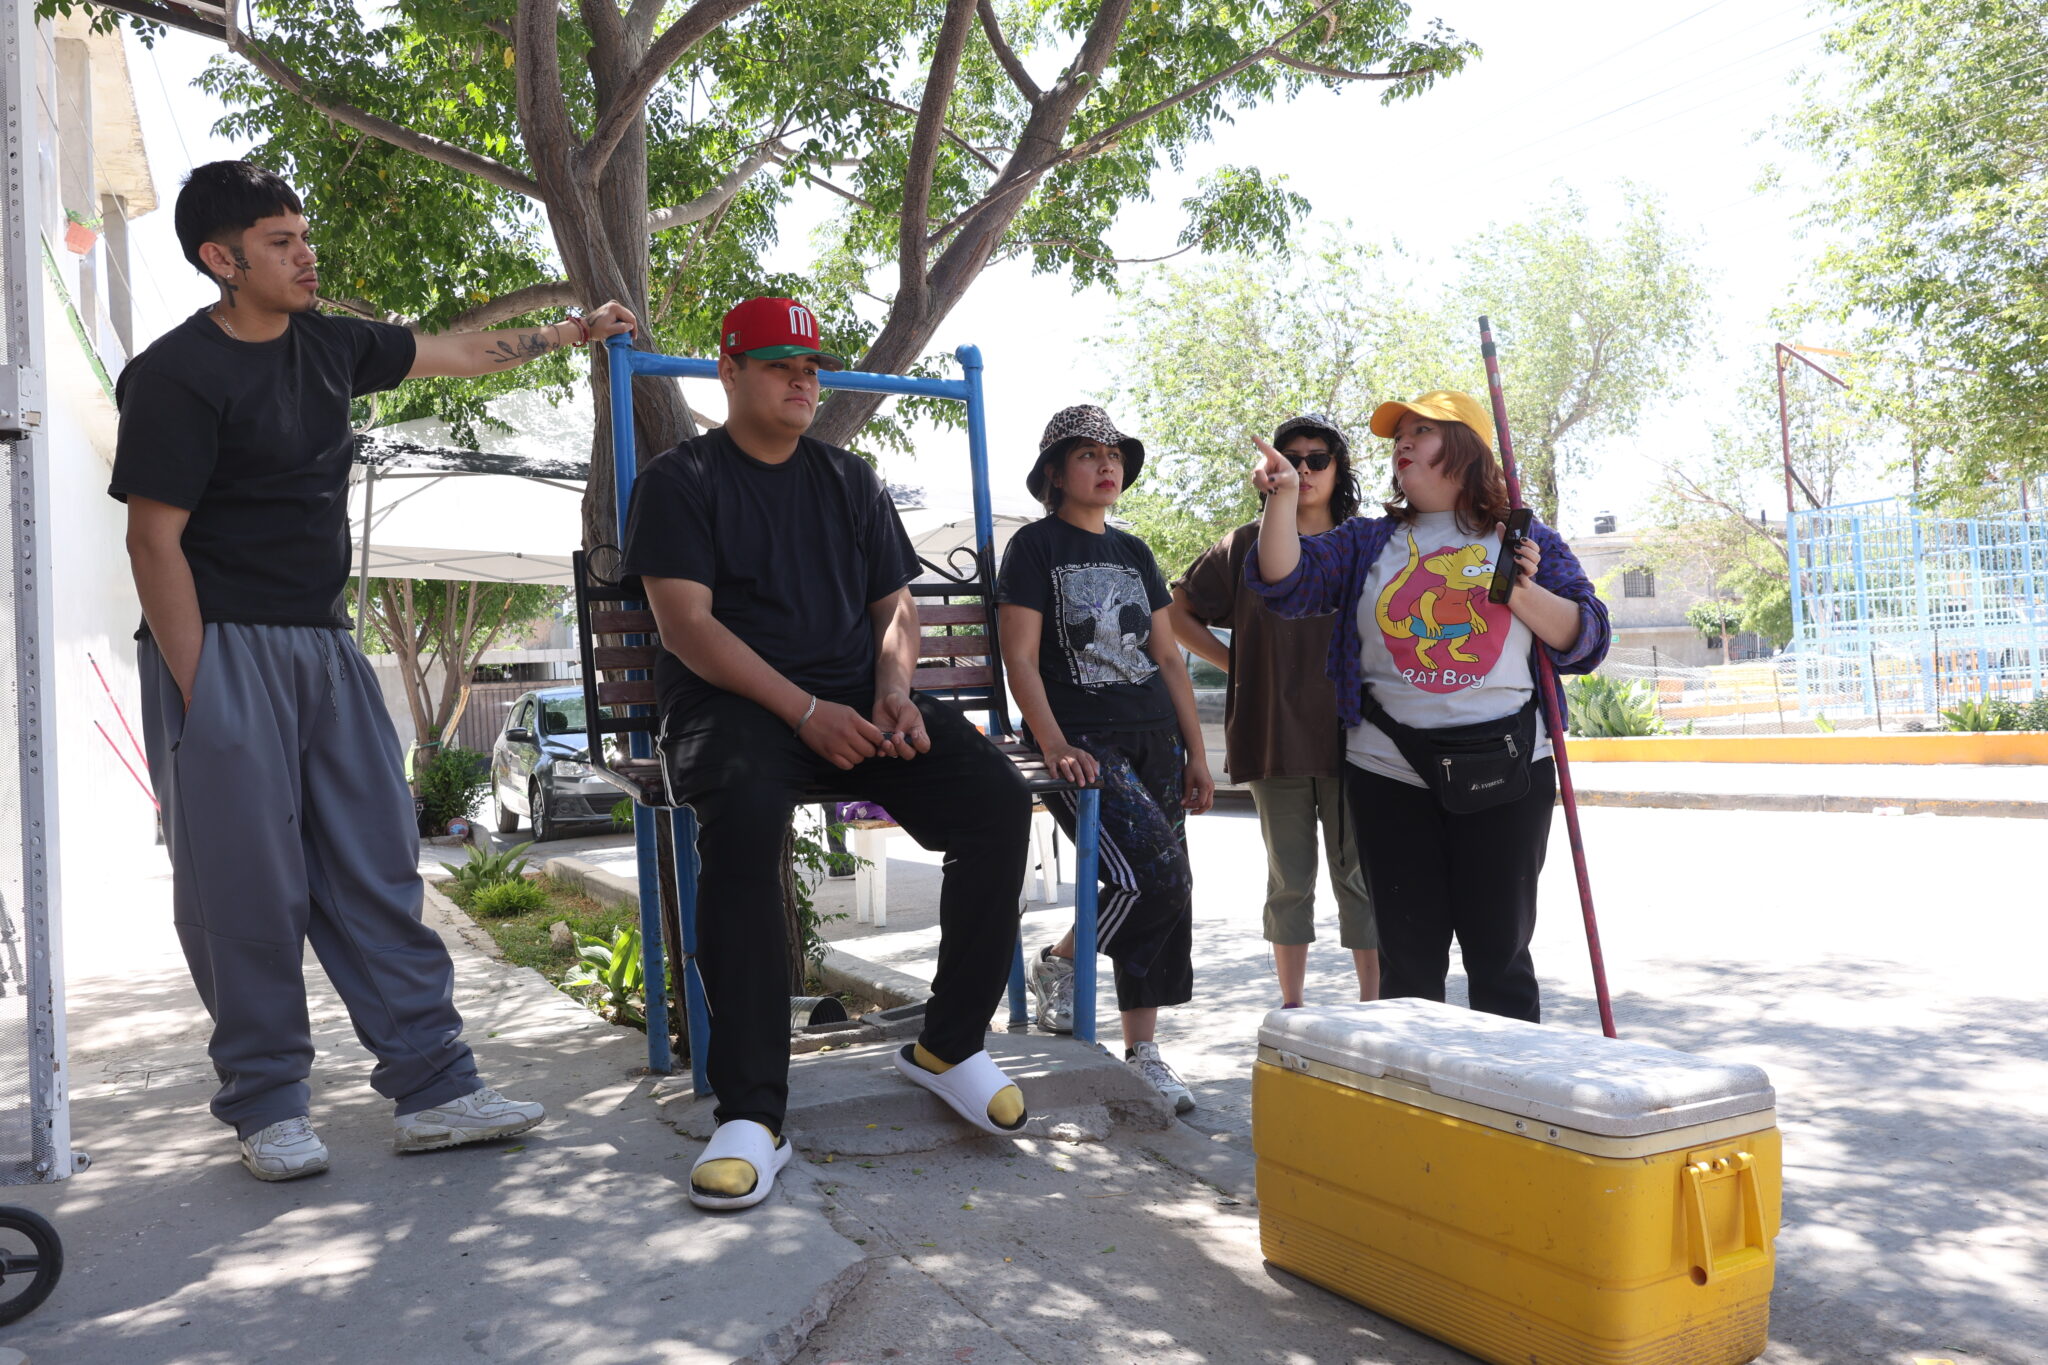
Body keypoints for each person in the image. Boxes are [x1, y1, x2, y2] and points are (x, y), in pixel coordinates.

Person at [113, 161, 635, 1182]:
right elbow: (151, 545)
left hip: (324, 642)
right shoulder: (176, 375)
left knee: (378, 870)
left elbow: (463, 349)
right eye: (279, 242)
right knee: (244, 888)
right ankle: (266, 1103)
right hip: (221, 647)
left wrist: (572, 332)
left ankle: (435, 1088)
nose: (306, 255)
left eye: (304, 235)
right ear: (219, 259)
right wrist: (201, 692)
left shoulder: (331, 344)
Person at [621, 295, 1034, 1211]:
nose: (802, 378)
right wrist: (804, 710)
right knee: (746, 825)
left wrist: (894, 687)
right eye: (778, 363)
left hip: (854, 706)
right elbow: (687, 629)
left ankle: (948, 1043)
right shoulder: (681, 479)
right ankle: (753, 1113)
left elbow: (897, 610)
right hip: (733, 710)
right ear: (728, 371)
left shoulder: (849, 479)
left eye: (811, 365)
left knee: (996, 803)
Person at [1246, 390, 1610, 1022]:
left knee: (1500, 955)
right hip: (1389, 771)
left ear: (1465, 449)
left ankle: (1507, 1104)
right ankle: (1416, 1107)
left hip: (1510, 768)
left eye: (1420, 430)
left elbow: (1588, 639)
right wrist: (1281, 498)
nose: (1402, 444)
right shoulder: (1365, 541)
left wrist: (1519, 589)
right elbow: (1285, 583)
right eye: (1398, 436)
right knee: (1407, 962)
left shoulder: (1525, 536)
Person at [997, 405, 1215, 1114]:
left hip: (1156, 736)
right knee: (1155, 875)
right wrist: (1053, 741)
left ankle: (1141, 1049)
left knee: (1173, 892)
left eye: (1114, 453)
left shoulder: (1136, 552)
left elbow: (1168, 659)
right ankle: (1065, 963)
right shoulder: (1033, 549)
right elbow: (1020, 658)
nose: (1107, 464)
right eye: (1088, 453)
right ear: (1055, 473)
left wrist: (1198, 752)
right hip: (1084, 739)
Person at [1170, 414, 1379, 1009]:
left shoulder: (1365, 542)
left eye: (1319, 458)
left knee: (1360, 879)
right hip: (1272, 733)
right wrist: (1238, 663)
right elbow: (1177, 614)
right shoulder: (1242, 546)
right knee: (1290, 882)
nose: (1305, 469)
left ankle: (1377, 1008)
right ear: (1269, 471)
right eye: (1293, 459)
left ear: (1339, 470)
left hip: (1356, 733)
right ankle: (1292, 1008)